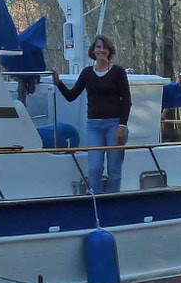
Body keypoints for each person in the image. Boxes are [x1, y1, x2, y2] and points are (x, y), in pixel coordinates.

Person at [53, 35, 131, 194]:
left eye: (104, 47)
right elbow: (71, 96)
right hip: (94, 126)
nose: (101, 50)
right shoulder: (87, 73)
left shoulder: (118, 72)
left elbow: (127, 101)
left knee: (114, 169)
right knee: (95, 167)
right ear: (93, 51)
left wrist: (122, 125)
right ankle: (97, 199)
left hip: (115, 124)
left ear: (109, 51)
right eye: (98, 47)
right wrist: (59, 83)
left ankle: (112, 200)